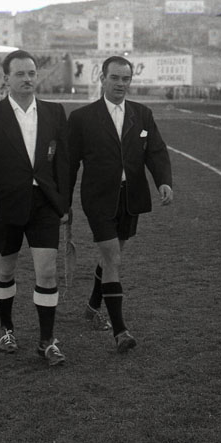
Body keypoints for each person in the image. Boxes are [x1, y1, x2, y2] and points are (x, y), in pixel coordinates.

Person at [0, 50, 69, 367]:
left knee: (47, 272)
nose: (27, 79)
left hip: (44, 204)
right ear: (6, 78)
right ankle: (7, 330)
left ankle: (47, 341)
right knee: (5, 270)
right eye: (20, 73)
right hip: (3, 205)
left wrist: (63, 203)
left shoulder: (54, 112)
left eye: (32, 73)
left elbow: (63, 162)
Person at [68, 56, 173, 353]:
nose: (120, 84)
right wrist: (62, 202)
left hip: (131, 197)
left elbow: (155, 151)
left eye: (126, 79)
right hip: (98, 198)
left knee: (111, 256)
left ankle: (92, 306)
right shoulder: (82, 118)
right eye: (114, 78)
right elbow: (69, 163)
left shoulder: (142, 115)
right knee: (113, 258)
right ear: (102, 78)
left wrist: (163, 181)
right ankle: (120, 331)